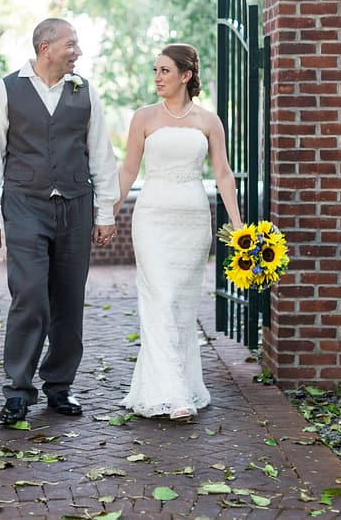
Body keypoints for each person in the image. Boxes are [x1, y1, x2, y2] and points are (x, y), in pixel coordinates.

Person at [0, 18, 120, 426]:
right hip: (24, 206)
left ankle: (59, 386)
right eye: (71, 44)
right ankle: (18, 390)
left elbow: (101, 156)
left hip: (75, 205)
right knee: (30, 296)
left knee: (69, 301)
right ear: (45, 47)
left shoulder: (84, 91)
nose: (79, 52)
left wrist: (105, 211)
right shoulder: (7, 89)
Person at [114, 43, 243, 421]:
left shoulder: (208, 121)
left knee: (181, 307)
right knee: (161, 298)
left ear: (186, 75)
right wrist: (108, 213)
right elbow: (128, 171)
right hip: (152, 219)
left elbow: (223, 174)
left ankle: (178, 384)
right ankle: (173, 395)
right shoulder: (143, 118)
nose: (157, 78)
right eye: (155, 71)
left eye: (165, 71)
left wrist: (238, 227)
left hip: (192, 222)